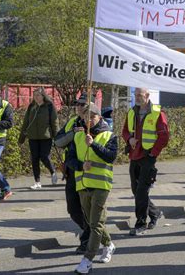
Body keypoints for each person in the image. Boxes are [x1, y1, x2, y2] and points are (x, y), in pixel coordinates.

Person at [66, 103, 118, 273]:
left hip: (101, 185)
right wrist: (81, 166)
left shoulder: (109, 135)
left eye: (92, 117)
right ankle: (109, 244)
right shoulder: (78, 136)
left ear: (99, 117)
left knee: (95, 224)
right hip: (83, 184)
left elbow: (111, 157)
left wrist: (94, 144)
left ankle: (87, 260)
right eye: (85, 117)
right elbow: (70, 160)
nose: (88, 120)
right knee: (90, 221)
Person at [122, 88, 169, 236]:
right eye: (135, 95)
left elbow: (164, 137)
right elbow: (124, 131)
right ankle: (155, 212)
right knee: (136, 190)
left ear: (147, 96)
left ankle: (140, 223)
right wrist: (129, 139)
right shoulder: (131, 112)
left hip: (148, 156)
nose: (137, 98)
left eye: (140, 95)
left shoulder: (157, 113)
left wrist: (153, 153)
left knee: (142, 190)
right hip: (134, 155)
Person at [54, 92, 92, 254]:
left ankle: (88, 238)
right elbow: (58, 141)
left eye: (82, 104)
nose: (79, 107)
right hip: (71, 169)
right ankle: (91, 233)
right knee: (73, 208)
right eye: (77, 104)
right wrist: (74, 133)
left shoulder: (98, 123)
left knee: (87, 208)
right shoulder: (72, 122)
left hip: (89, 171)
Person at [19, 87, 59, 189]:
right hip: (33, 136)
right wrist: (22, 138)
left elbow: (54, 122)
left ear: (43, 96)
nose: (36, 97)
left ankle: (52, 170)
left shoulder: (49, 106)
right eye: (34, 95)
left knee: (44, 156)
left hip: (46, 136)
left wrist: (57, 136)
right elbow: (26, 122)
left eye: (38, 95)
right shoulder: (32, 106)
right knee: (34, 158)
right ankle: (37, 182)